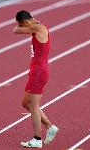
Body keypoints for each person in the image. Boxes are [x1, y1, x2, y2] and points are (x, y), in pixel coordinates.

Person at [13, 10, 58, 148]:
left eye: (23, 24)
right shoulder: (36, 26)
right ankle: (50, 126)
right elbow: (18, 28)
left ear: (26, 22)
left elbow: (15, 30)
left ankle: (37, 139)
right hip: (36, 70)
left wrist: (22, 27)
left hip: (39, 71)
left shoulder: (37, 27)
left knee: (33, 105)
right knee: (26, 103)